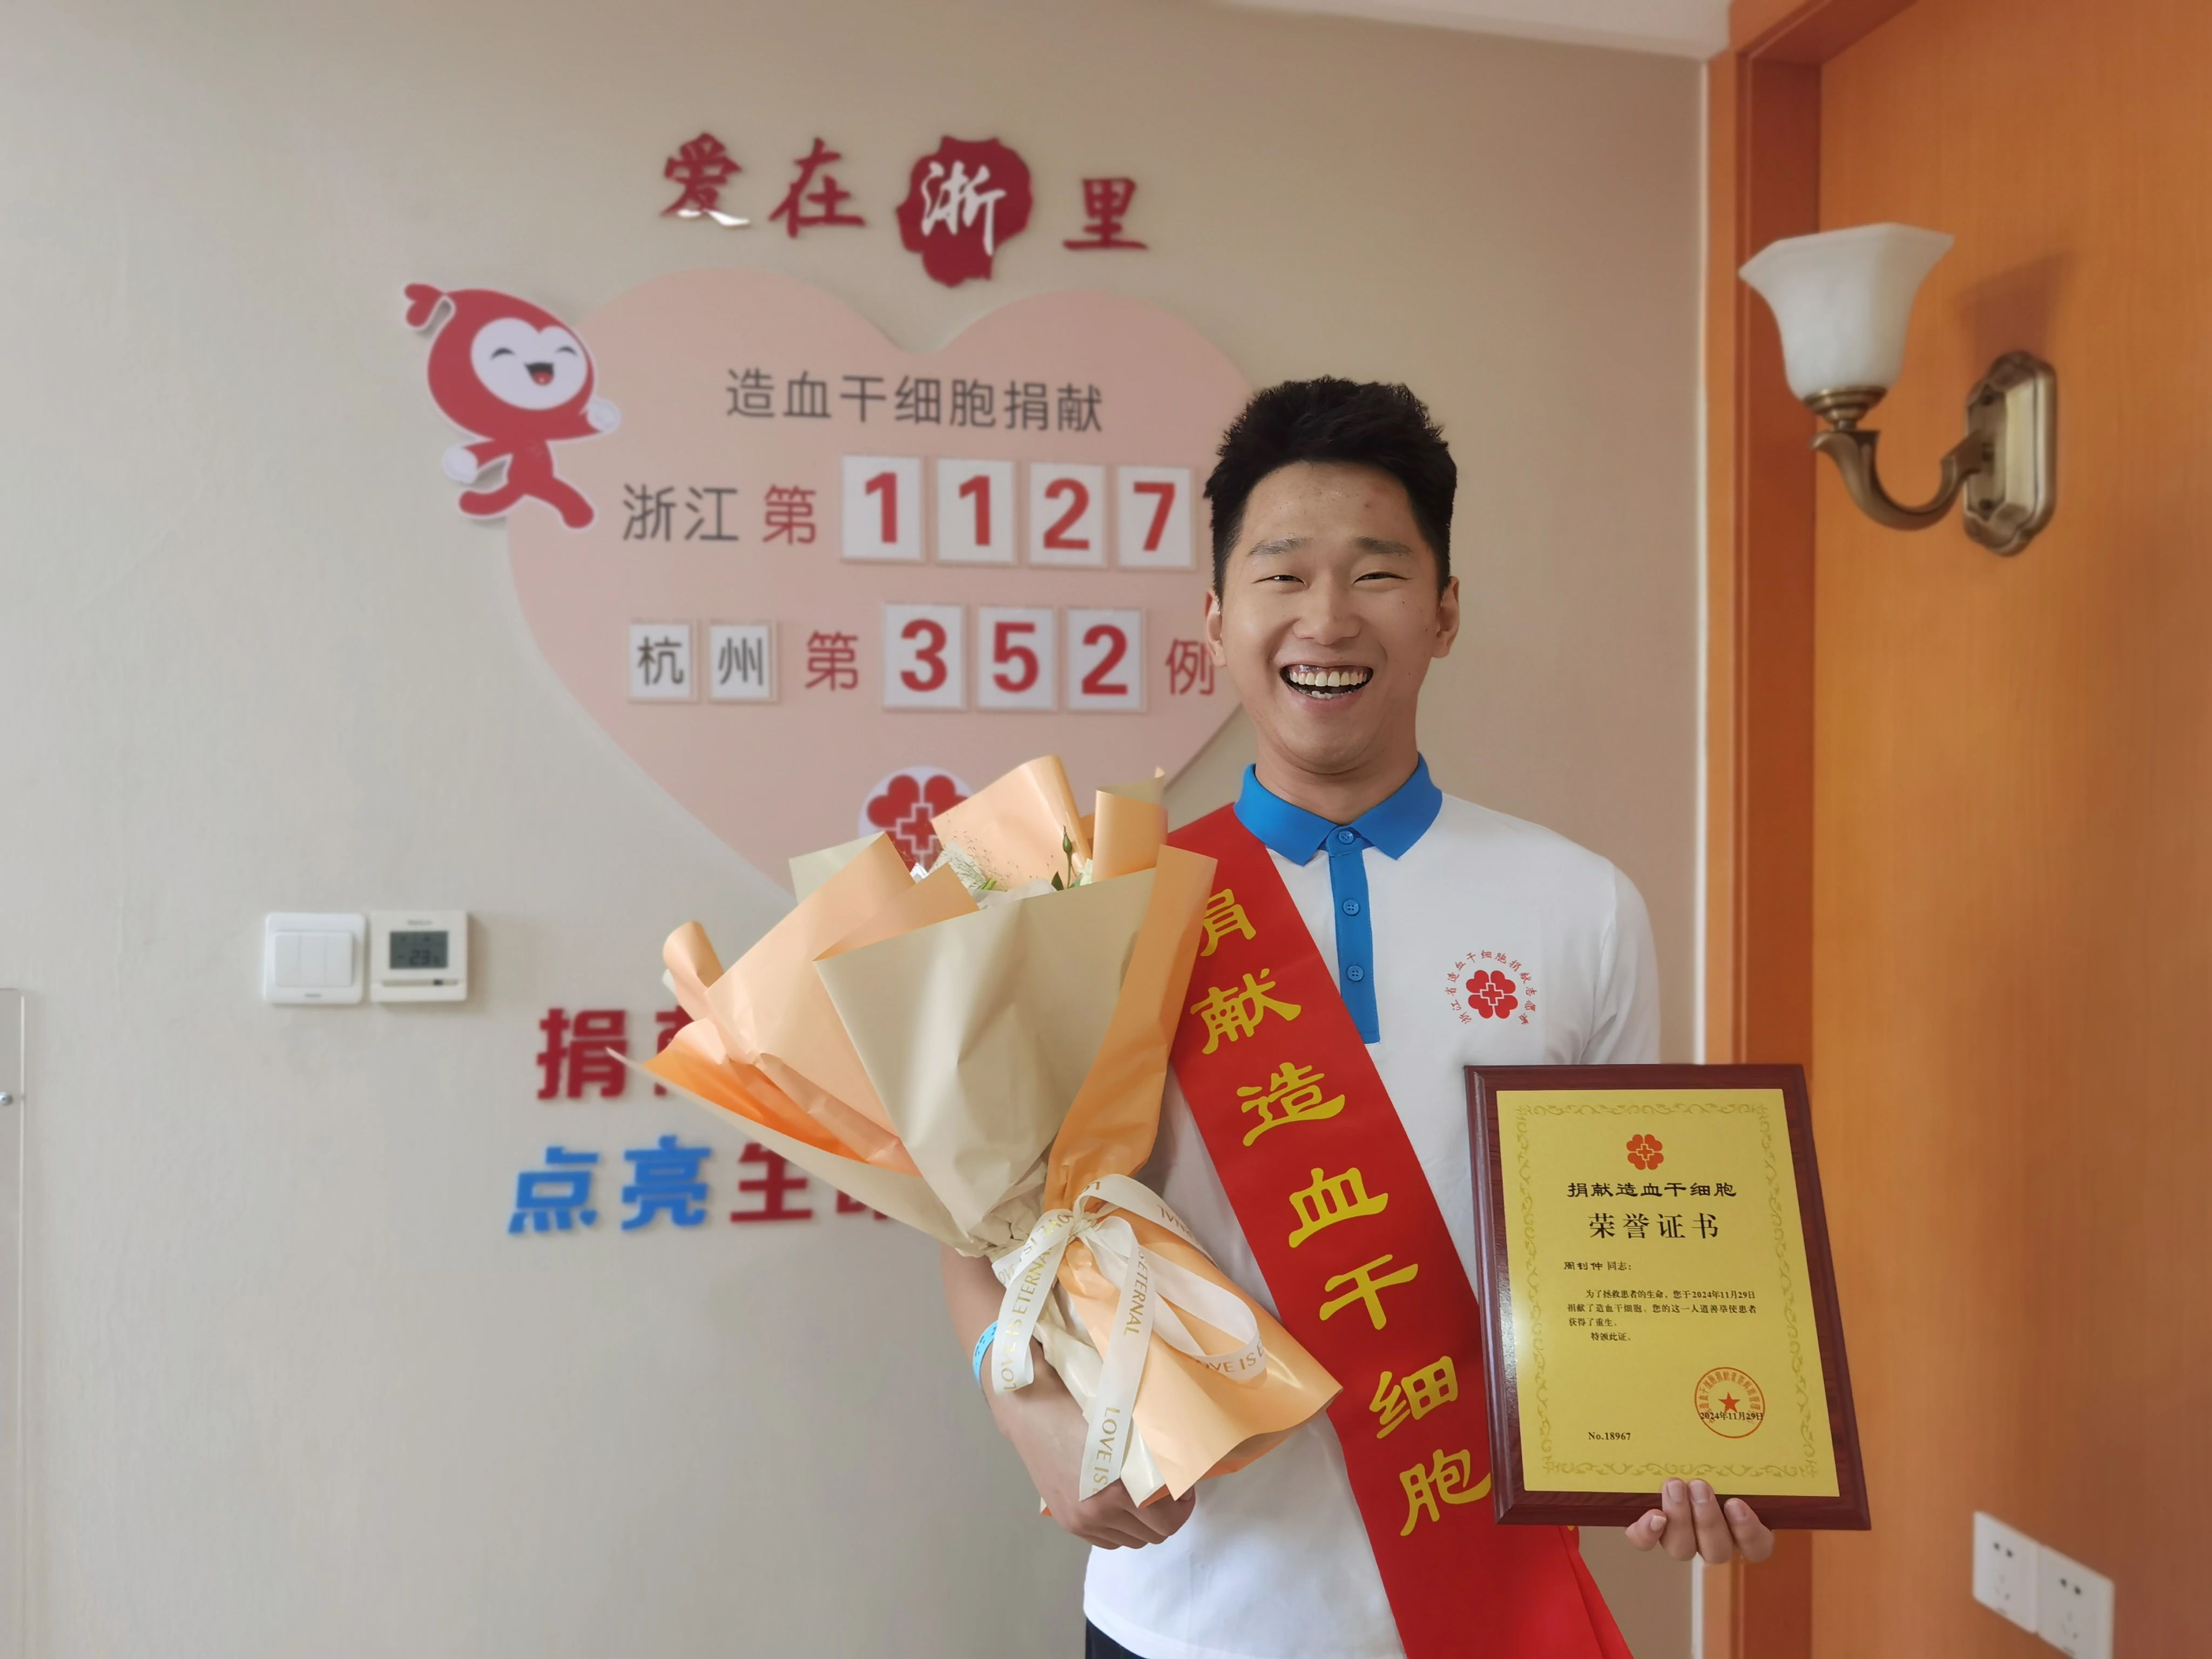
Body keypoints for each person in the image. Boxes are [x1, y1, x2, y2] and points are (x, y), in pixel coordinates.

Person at [940, 379, 1771, 1659]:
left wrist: (1702, 1437)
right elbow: (981, 1234)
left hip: (1484, 1610)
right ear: (1215, 619)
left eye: (1377, 573)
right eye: (1281, 574)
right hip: (1187, 1614)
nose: (1326, 618)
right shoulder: (1103, 909)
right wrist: (1026, 1408)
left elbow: (1629, 1242)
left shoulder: (1581, 904)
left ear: (1443, 612)